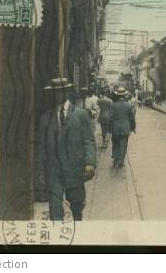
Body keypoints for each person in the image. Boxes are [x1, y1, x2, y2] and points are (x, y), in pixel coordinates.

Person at [35, 77, 96, 221]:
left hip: (75, 169)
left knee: (77, 208)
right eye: (54, 93)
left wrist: (90, 162)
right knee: (55, 209)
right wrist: (40, 171)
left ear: (66, 92)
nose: (57, 95)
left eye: (60, 92)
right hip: (54, 170)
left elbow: (89, 140)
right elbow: (42, 147)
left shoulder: (81, 115)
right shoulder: (45, 118)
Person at [111, 87, 137, 168]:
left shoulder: (114, 105)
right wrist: (133, 128)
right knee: (123, 144)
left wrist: (109, 128)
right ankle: (121, 161)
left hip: (115, 128)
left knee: (115, 143)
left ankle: (115, 158)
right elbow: (132, 118)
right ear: (125, 95)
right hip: (125, 128)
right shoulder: (129, 105)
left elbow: (111, 118)